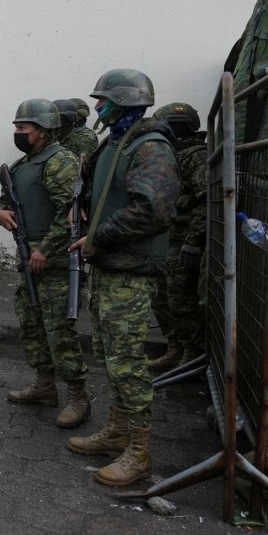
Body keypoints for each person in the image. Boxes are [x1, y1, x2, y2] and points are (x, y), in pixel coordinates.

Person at [65, 69, 180, 486]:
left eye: (104, 100)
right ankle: (116, 432)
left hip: (130, 272)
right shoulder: (117, 143)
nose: (97, 107)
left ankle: (139, 453)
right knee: (112, 357)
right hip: (110, 268)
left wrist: (99, 237)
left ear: (125, 102)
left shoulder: (151, 148)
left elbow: (153, 210)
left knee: (129, 362)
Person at [0, 99, 92, 427]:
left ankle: (78, 396)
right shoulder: (24, 164)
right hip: (30, 258)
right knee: (32, 325)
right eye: (17, 127)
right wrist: (0, 212)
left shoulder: (59, 161)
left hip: (54, 262)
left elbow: (71, 216)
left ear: (43, 130)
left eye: (24, 128)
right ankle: (44, 385)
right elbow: (8, 199)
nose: (18, 133)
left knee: (59, 331)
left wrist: (46, 250)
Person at [147, 102, 209, 372]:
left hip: (183, 242)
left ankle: (192, 354)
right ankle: (175, 348)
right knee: (161, 298)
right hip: (164, 240)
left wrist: (193, 243)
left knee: (180, 301)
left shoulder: (196, 156)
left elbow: (206, 202)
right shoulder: (168, 154)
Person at [54, 96, 99, 167]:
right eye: (77, 115)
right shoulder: (61, 134)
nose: (79, 119)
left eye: (82, 116)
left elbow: (84, 169)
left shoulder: (85, 137)